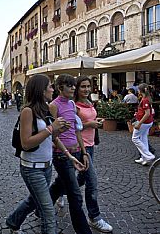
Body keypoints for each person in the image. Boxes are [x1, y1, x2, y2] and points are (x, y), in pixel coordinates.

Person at [6, 74, 75, 234]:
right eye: (50, 86)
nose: (53, 89)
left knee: (33, 201)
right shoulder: (27, 111)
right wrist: (51, 128)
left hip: (47, 167)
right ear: (41, 90)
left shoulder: (45, 108)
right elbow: (26, 142)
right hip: (32, 168)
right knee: (48, 211)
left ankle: (13, 222)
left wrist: (67, 152)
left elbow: (51, 137)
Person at [49, 74, 92, 234]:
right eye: (70, 85)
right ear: (60, 88)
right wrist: (59, 130)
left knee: (58, 185)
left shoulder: (73, 104)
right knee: (75, 194)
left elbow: (77, 130)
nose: (74, 88)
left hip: (76, 152)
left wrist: (84, 152)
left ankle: (39, 209)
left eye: (74, 85)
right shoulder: (53, 106)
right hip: (61, 155)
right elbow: (52, 134)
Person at [74, 76, 113, 233]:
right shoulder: (74, 106)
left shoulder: (89, 102)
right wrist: (89, 124)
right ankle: (94, 217)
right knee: (92, 182)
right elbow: (73, 127)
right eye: (83, 86)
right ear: (76, 88)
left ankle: (57, 193)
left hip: (90, 146)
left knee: (79, 179)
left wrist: (96, 121)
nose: (86, 89)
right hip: (80, 147)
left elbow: (90, 120)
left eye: (88, 86)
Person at [132, 83, 156, 166]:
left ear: (140, 90)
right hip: (148, 122)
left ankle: (148, 156)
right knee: (143, 138)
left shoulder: (145, 99)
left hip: (144, 123)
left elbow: (147, 113)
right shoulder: (147, 98)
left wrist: (139, 123)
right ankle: (144, 158)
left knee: (135, 138)